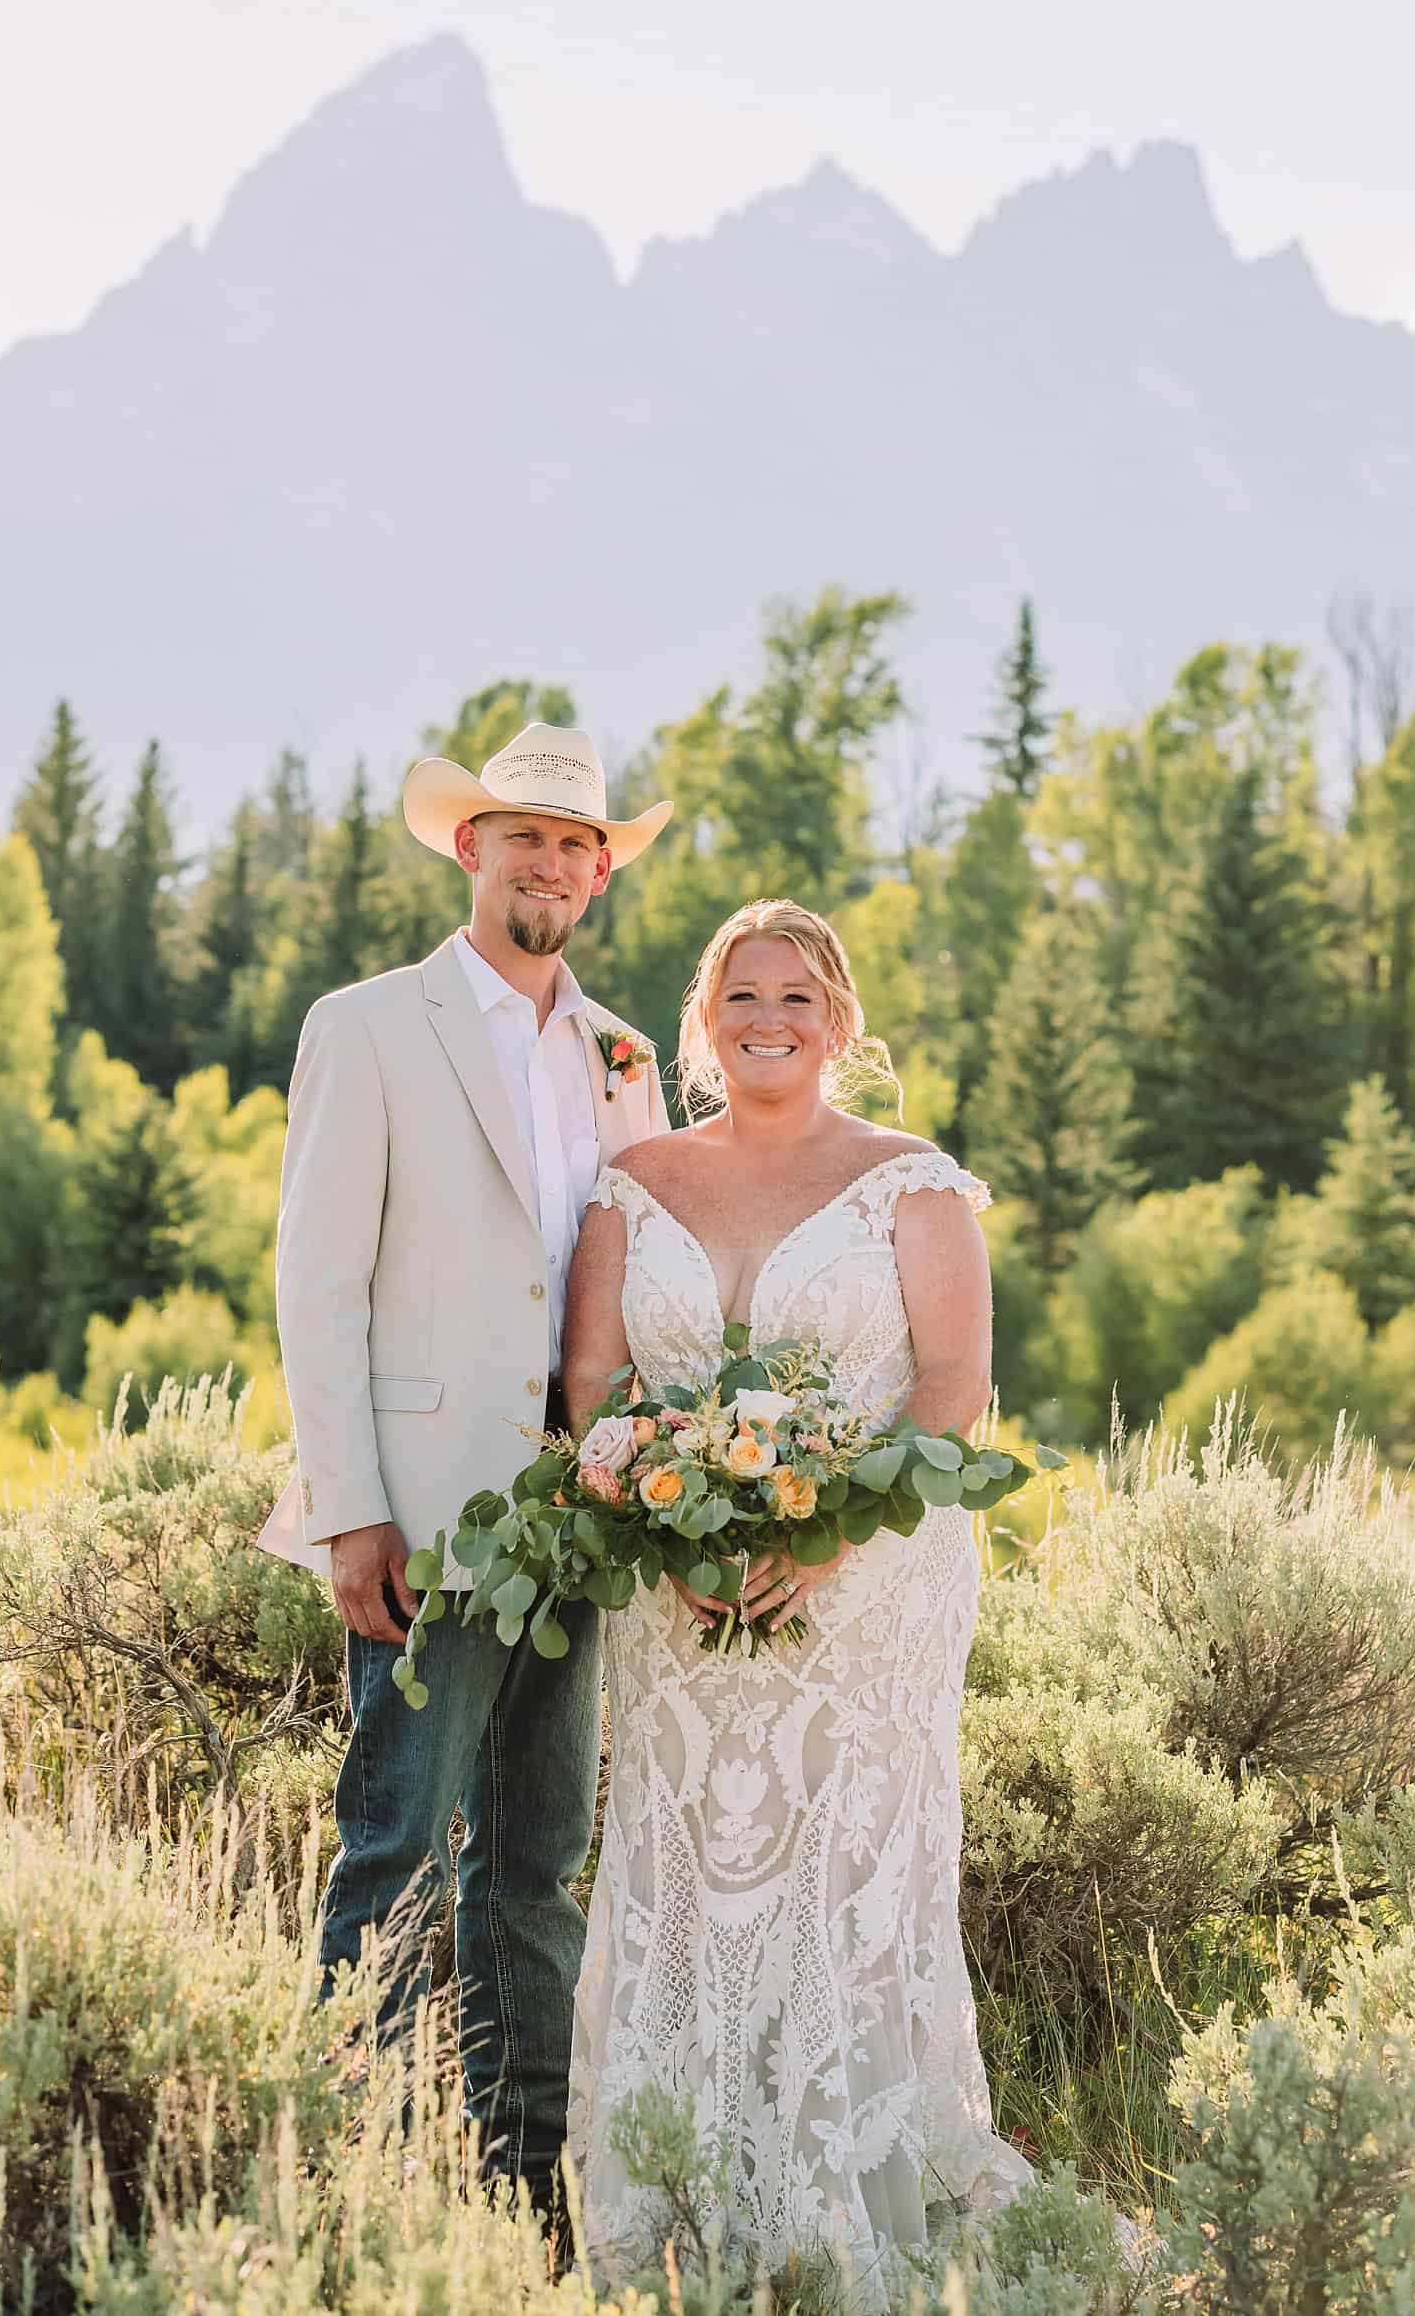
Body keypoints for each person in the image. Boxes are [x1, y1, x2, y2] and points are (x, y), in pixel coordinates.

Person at [561, 897, 1031, 2298]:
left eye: (798, 998)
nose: (770, 1020)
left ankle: (846, 2190)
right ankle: (678, 2195)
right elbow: (593, 1385)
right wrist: (664, 1517)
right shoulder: (630, 1183)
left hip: (867, 1594)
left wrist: (825, 1540)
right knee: (685, 1875)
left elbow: (953, 1388)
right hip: (676, 1601)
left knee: (842, 1874)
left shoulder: (913, 1182)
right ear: (703, 1021)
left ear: (839, 1020)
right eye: (743, 997)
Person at [257, 719, 672, 2212]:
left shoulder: (626, 1053)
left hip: (579, 1527)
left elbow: (644, 1277)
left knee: (538, 1868)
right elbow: (320, 1285)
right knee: (395, 1851)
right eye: (523, 836)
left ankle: (520, 2190)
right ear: (469, 847)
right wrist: (350, 1505)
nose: (549, 862)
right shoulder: (366, 1023)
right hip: (421, 1518)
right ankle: (348, 2184)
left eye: (576, 842)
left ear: (601, 869)